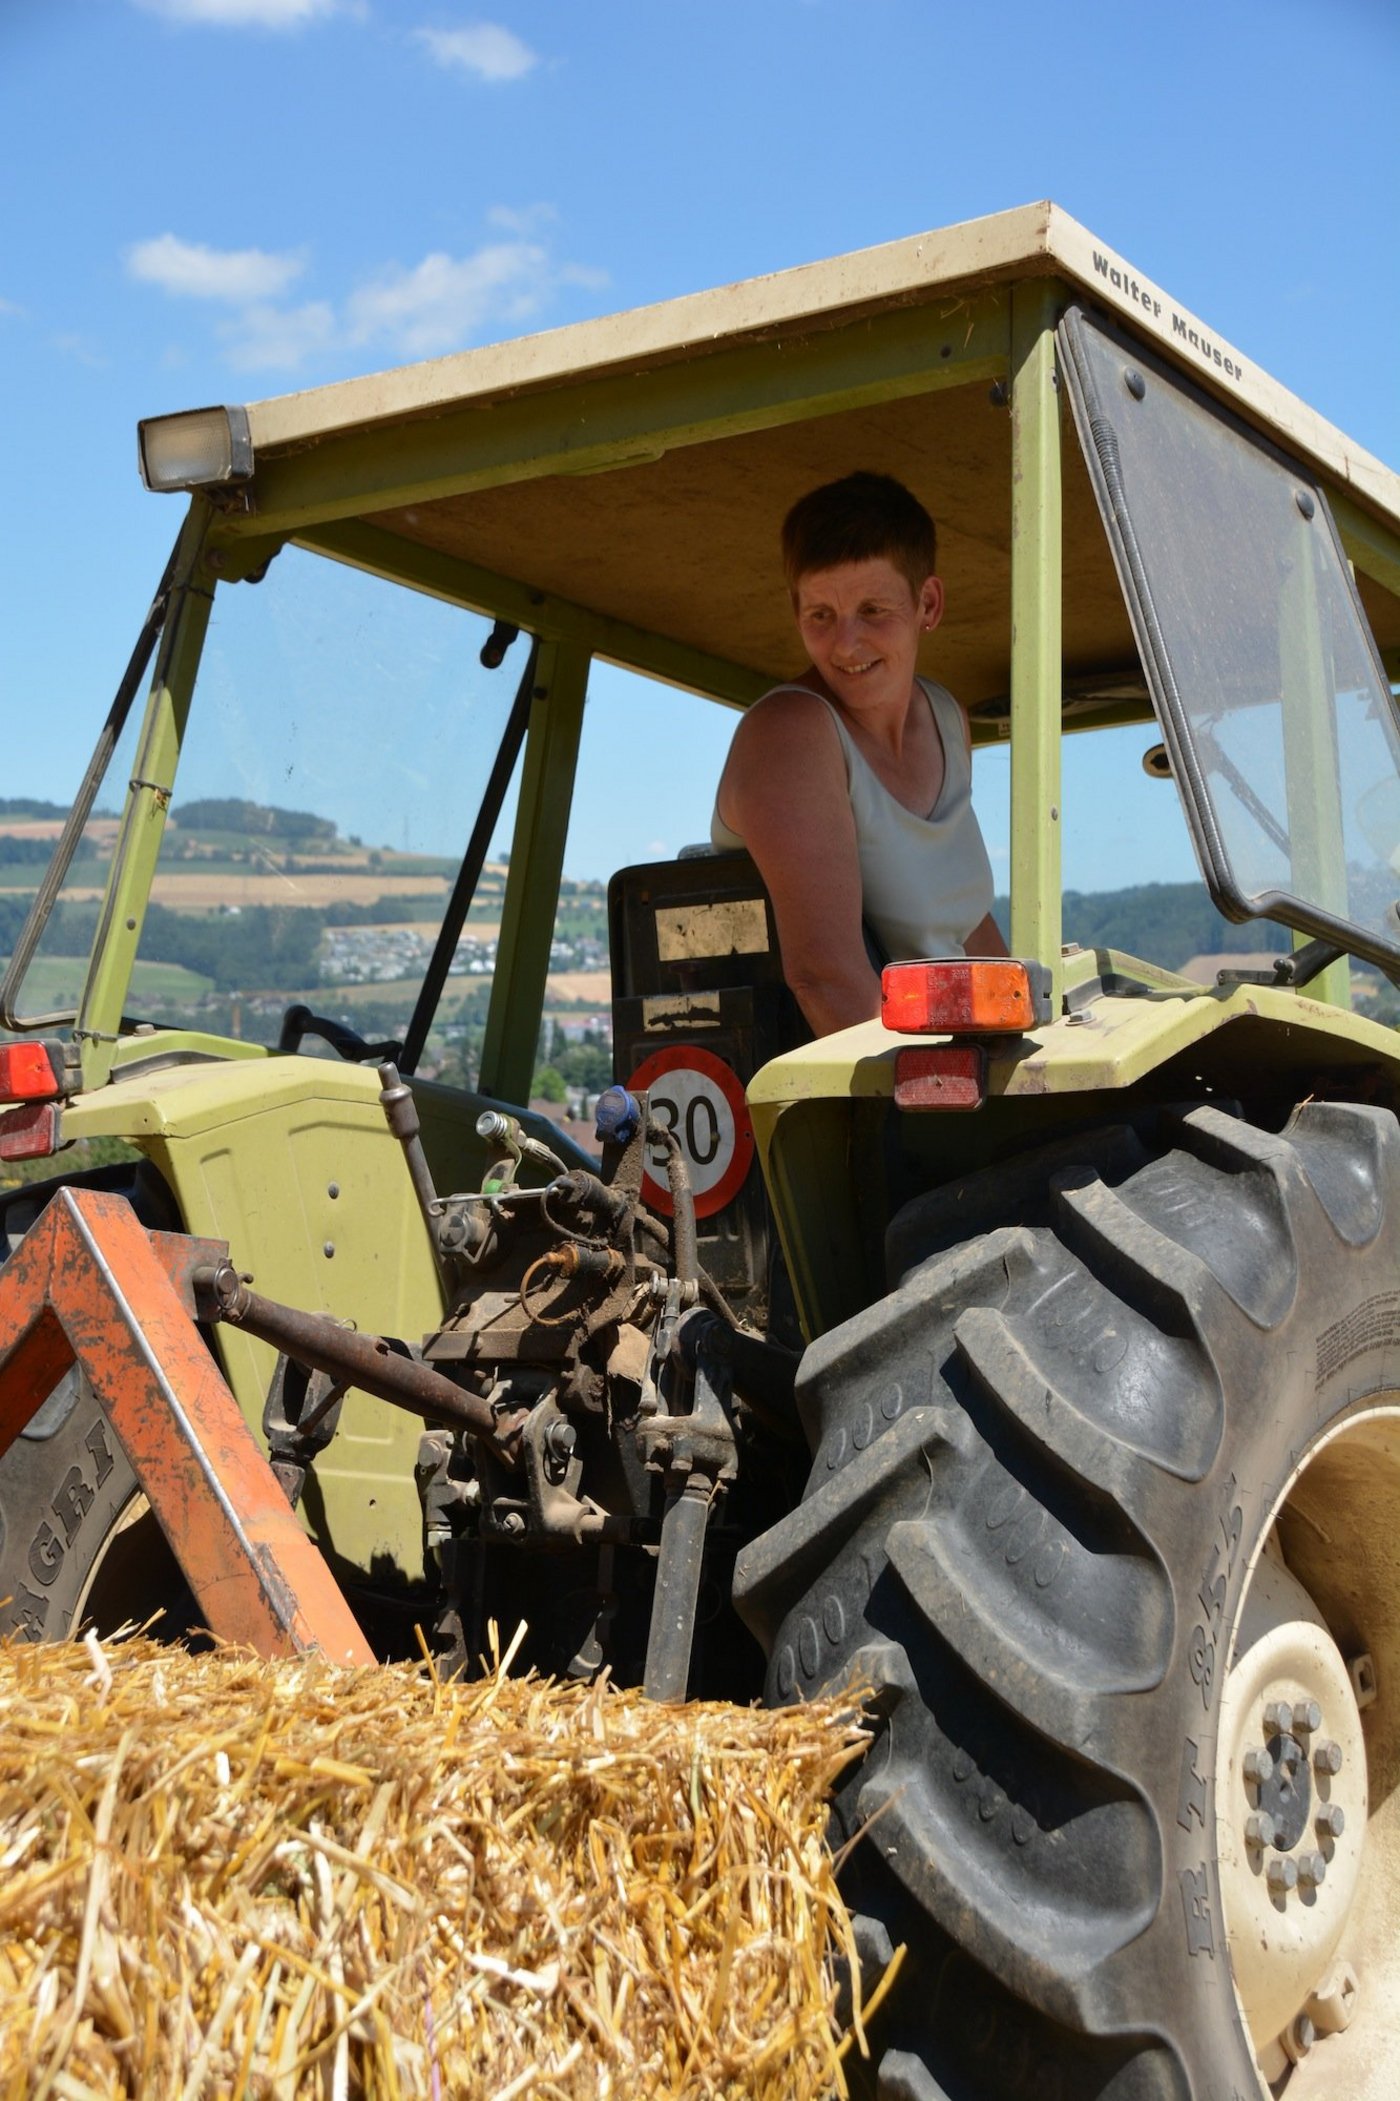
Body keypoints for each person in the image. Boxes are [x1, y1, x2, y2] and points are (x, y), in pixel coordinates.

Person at [711, 471, 1006, 1035]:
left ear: (928, 603)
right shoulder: (791, 732)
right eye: (820, 615)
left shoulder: (946, 719)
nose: (846, 644)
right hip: (860, 1085)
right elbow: (827, 979)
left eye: (872, 610)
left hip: (949, 1054)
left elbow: (963, 925)